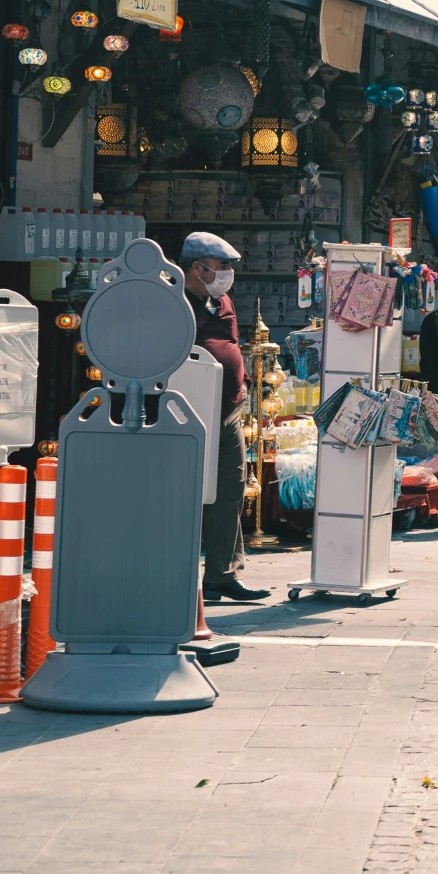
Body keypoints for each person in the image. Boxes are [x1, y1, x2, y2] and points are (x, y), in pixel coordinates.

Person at [181, 233, 266, 603]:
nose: (227, 274)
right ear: (197, 268)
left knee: (231, 488)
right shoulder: (172, 300)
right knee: (184, 493)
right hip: (187, 409)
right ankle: (176, 571)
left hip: (229, 406)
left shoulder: (222, 299)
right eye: (222, 267)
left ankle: (222, 574)